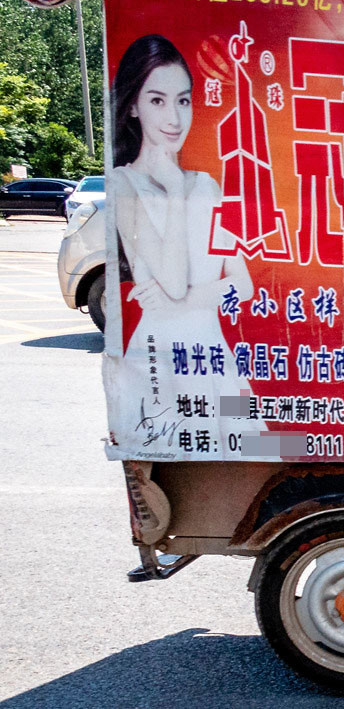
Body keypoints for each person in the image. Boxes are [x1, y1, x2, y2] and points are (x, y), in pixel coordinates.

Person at [109, 34, 251, 443]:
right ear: (133, 105)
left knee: (241, 459)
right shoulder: (123, 184)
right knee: (176, 457)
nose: (174, 117)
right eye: (157, 100)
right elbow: (170, 280)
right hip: (162, 357)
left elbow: (243, 285)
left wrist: (183, 300)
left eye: (183, 100)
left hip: (212, 352)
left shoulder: (207, 185)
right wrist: (172, 191)